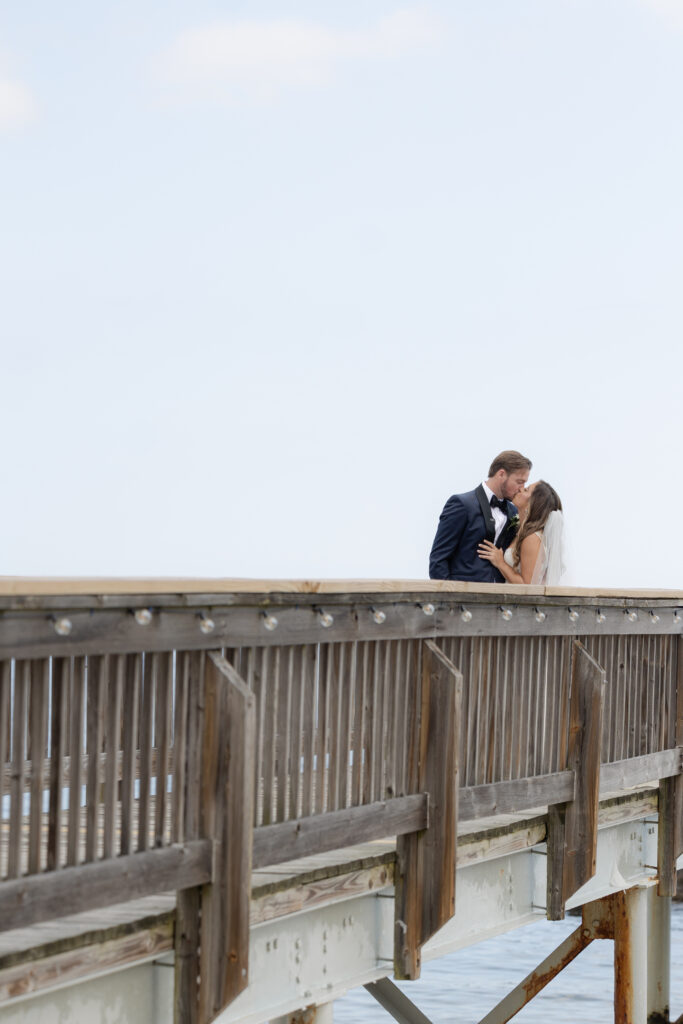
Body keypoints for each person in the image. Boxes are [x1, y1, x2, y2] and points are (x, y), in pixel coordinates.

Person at [429, 451, 532, 582]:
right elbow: (438, 559)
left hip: (501, 598)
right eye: (519, 481)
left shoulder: (514, 511)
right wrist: (450, 598)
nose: (521, 488)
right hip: (463, 597)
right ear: (501, 474)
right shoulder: (462, 504)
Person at [477, 480, 565, 584]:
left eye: (526, 490)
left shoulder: (532, 538)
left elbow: (527, 585)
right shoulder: (521, 531)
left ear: (533, 503)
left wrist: (500, 563)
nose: (520, 489)